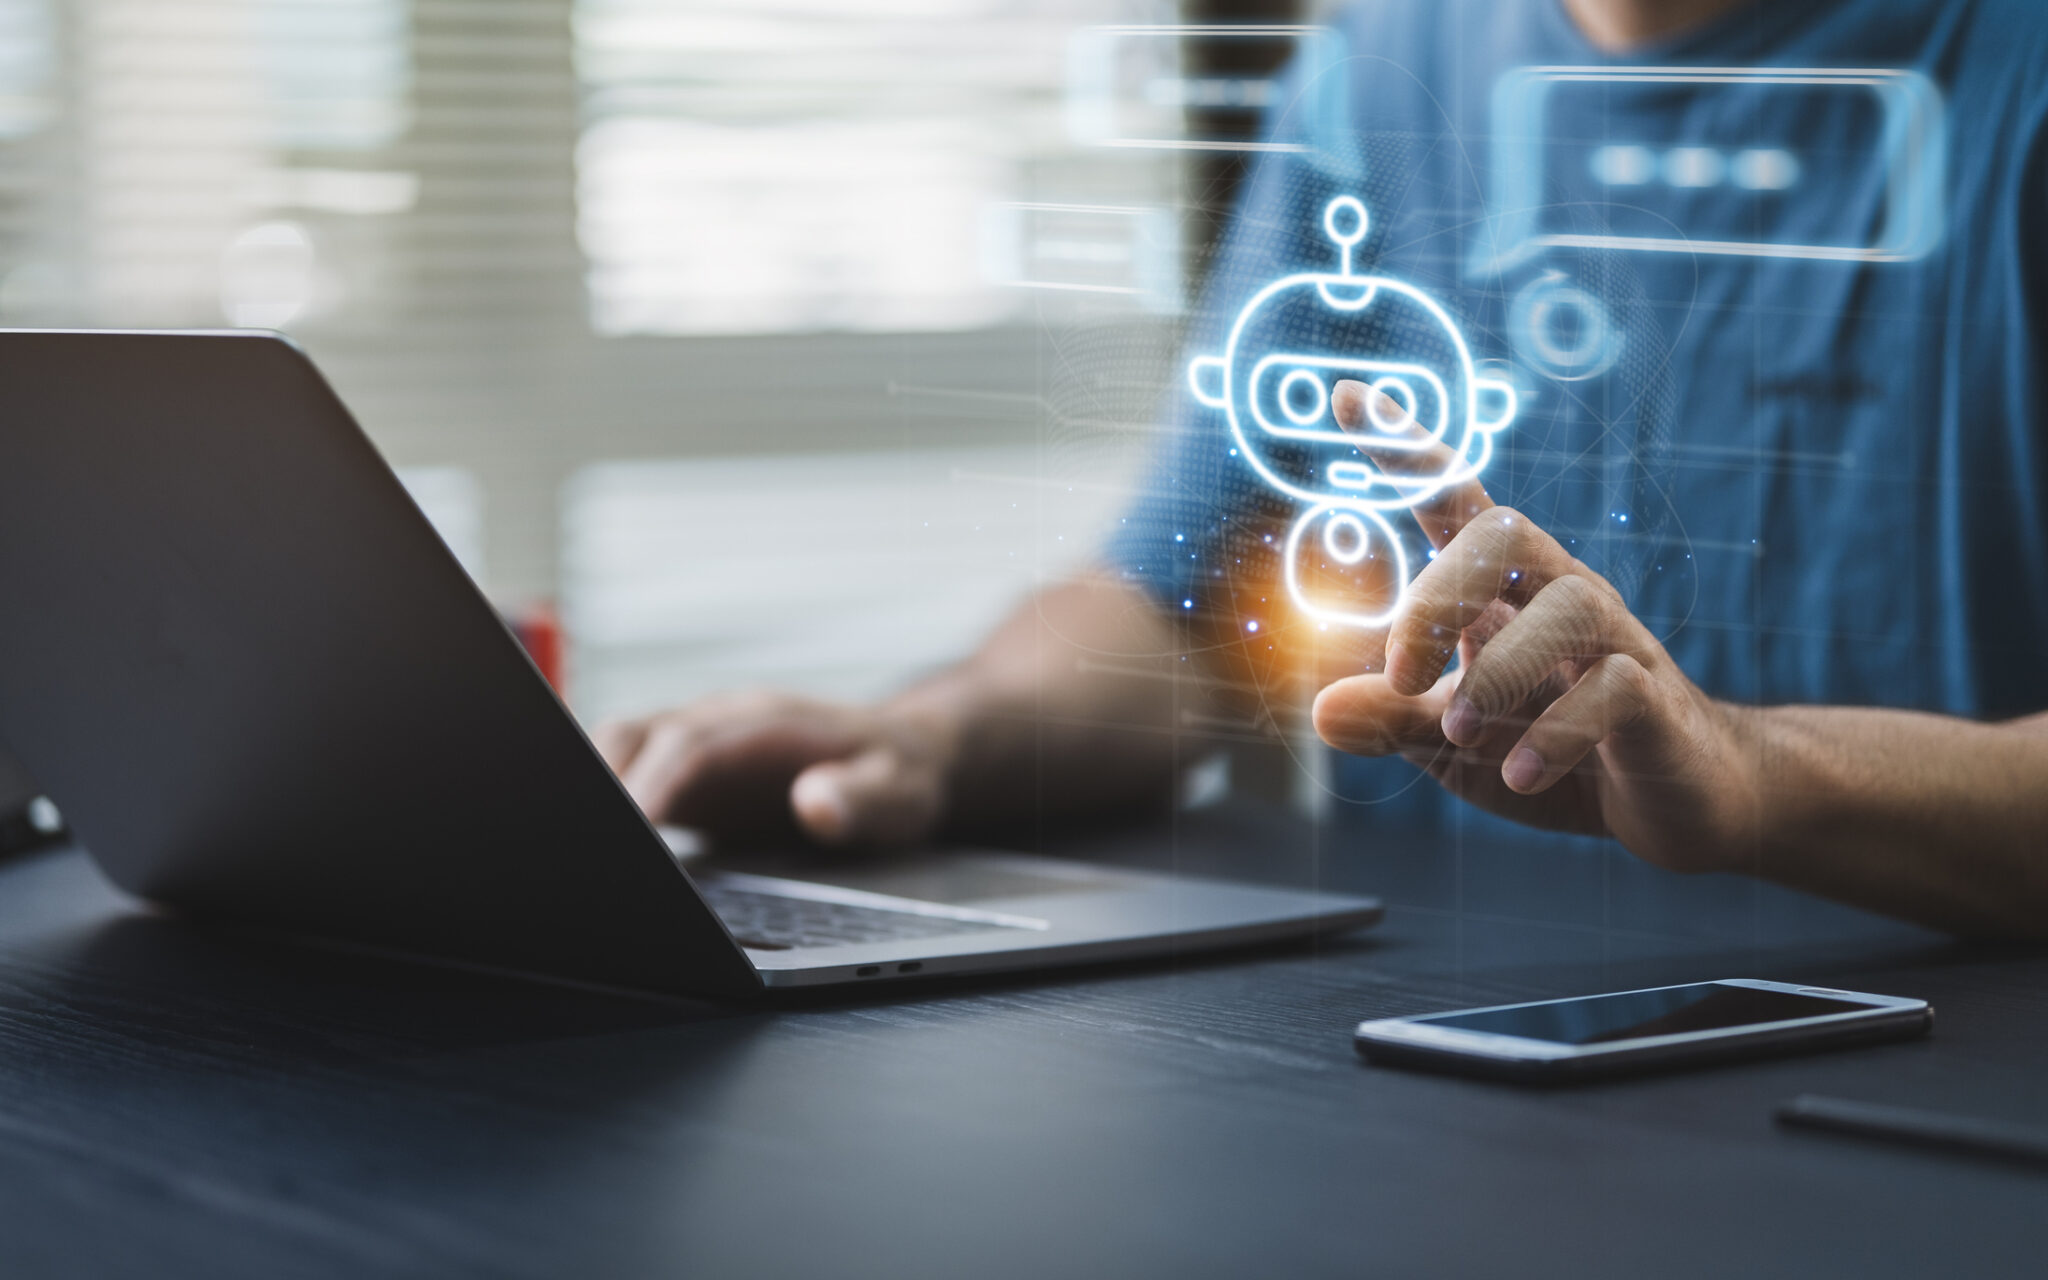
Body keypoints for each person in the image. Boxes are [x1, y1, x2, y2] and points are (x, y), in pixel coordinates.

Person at [596, 0, 2048, 939]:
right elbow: (1176, 612)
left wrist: (1752, 775)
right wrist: (937, 738)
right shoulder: (1380, 67)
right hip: (1427, 1072)